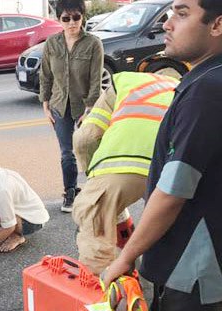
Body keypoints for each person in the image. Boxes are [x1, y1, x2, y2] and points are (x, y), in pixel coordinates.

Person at [103, 1, 222, 311]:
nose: (167, 23)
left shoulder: (210, 90)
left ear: (218, 24)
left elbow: (172, 193)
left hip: (192, 272)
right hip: (214, 266)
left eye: (182, 13)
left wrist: (124, 258)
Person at [72, 71, 178, 275]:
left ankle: (110, 296)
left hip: (121, 166)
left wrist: (93, 178)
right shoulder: (186, 87)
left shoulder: (123, 81)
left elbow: (85, 139)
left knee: (95, 227)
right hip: (171, 168)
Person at [40, 0, 104, 213]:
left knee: (88, 150)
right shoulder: (52, 43)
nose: (71, 23)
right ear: (59, 19)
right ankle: (70, 192)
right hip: (59, 106)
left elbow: (96, 81)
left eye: (76, 17)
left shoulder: (93, 44)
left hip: (85, 107)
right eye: (66, 18)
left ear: (82, 17)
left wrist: (89, 109)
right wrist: (45, 104)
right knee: (67, 153)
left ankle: (97, 191)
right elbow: (46, 75)